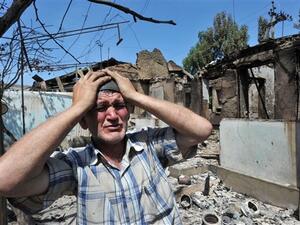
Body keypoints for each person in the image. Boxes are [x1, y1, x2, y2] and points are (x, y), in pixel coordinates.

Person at [0, 69, 212, 224]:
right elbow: (5, 178)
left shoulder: (149, 146)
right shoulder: (77, 166)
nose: (112, 116)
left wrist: (135, 96)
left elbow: (201, 130)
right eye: (100, 108)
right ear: (83, 121)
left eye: (119, 106)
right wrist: (79, 107)